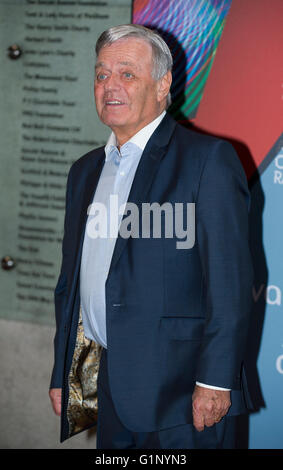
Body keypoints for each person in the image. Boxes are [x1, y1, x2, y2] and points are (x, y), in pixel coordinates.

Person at [49, 24, 254, 449]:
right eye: (102, 74)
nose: (110, 86)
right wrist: (62, 371)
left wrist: (215, 381)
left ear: (163, 86)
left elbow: (231, 284)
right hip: (108, 388)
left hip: (185, 397)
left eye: (127, 73)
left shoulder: (207, 161)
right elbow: (71, 282)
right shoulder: (84, 171)